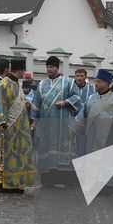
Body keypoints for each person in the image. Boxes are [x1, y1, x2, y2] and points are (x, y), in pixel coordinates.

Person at [72, 68, 113, 195]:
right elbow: (82, 115)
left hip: (110, 138)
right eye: (96, 81)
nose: (95, 84)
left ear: (107, 83)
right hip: (92, 137)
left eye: (98, 81)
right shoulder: (91, 98)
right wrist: (74, 129)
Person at [0, 57, 38, 190]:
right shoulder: (4, 84)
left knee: (17, 155)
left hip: (19, 129)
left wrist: (27, 104)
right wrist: (1, 123)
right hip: (7, 128)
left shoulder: (16, 84)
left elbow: (16, 101)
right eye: (23, 70)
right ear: (19, 71)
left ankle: (15, 182)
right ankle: (3, 182)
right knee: (6, 156)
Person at [31, 55, 82, 186]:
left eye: (52, 67)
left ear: (57, 68)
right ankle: (49, 180)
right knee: (47, 149)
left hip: (63, 124)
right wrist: (33, 120)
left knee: (64, 150)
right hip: (46, 126)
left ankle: (66, 179)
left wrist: (65, 103)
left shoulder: (68, 82)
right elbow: (36, 103)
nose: (49, 69)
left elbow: (77, 97)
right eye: (47, 67)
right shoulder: (41, 84)